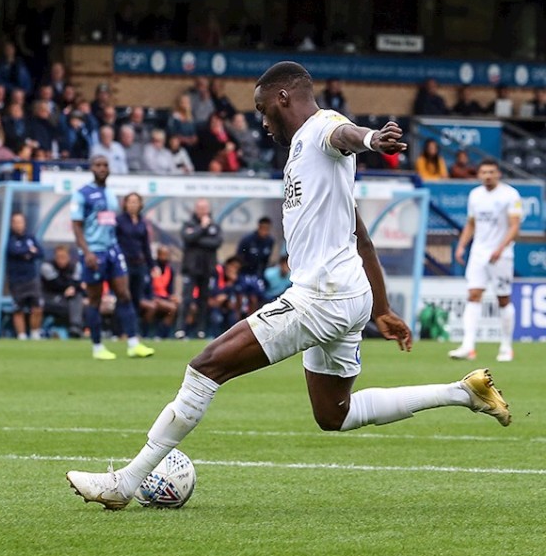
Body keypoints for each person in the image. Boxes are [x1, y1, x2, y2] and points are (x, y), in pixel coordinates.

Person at [66, 61, 511, 511]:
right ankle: (463, 392)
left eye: (262, 109)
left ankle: (125, 482)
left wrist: (373, 139)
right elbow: (362, 238)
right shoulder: (305, 154)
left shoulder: (321, 127)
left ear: (283, 97)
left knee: (205, 367)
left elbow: (345, 134)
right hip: (348, 294)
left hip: (323, 296)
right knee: (334, 414)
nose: (262, 122)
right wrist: (381, 308)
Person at [71, 155, 153, 360]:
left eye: (105, 165)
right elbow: (77, 226)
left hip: (112, 250)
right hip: (94, 251)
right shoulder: (82, 194)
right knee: (95, 299)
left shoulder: (109, 194)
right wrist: (87, 252)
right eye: (98, 165)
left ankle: (133, 343)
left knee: (124, 294)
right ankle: (97, 346)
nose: (102, 168)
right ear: (91, 168)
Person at [448, 159, 522, 363]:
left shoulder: (510, 194)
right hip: (478, 253)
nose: (488, 176)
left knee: (503, 299)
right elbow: (471, 223)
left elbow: (514, 226)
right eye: (484, 172)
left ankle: (506, 346)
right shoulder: (475, 195)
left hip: (501, 255)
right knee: (473, 295)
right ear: (479, 174)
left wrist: (500, 248)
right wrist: (462, 246)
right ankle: (468, 346)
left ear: (498, 174)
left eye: (491, 172)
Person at [173, 199, 223, 340]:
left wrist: (197, 238)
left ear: (208, 209)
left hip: (207, 268)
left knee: (203, 300)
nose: (202, 210)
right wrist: (202, 228)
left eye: (205, 208)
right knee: (187, 299)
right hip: (191, 268)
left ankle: (201, 330)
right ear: (195, 209)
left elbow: (216, 242)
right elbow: (187, 238)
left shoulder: (215, 225)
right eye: (200, 208)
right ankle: (180, 329)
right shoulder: (188, 224)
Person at [116, 193, 154, 330]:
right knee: (123, 296)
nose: (133, 204)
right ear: (125, 204)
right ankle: (119, 330)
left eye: (136, 202)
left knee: (137, 298)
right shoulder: (119, 221)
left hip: (139, 264)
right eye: (130, 202)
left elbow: (146, 246)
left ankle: (133, 330)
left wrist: (151, 265)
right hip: (123, 264)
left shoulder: (142, 222)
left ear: (140, 204)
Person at [6, 212, 44, 340]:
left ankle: (35, 333)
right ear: (12, 224)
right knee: (18, 309)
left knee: (37, 307)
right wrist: (29, 251)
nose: (18, 225)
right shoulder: (10, 238)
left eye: (20, 222)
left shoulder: (30, 237)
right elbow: (14, 251)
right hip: (16, 280)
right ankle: (21, 335)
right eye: (16, 222)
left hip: (31, 278)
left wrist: (26, 253)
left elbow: (40, 253)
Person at [40, 245, 84, 339]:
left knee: (78, 298)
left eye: (64, 257)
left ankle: (75, 328)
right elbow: (56, 284)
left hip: (68, 297)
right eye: (59, 257)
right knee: (73, 304)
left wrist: (73, 288)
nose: (61, 260)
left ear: (69, 257)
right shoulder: (47, 266)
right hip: (50, 297)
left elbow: (77, 282)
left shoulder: (76, 266)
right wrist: (71, 287)